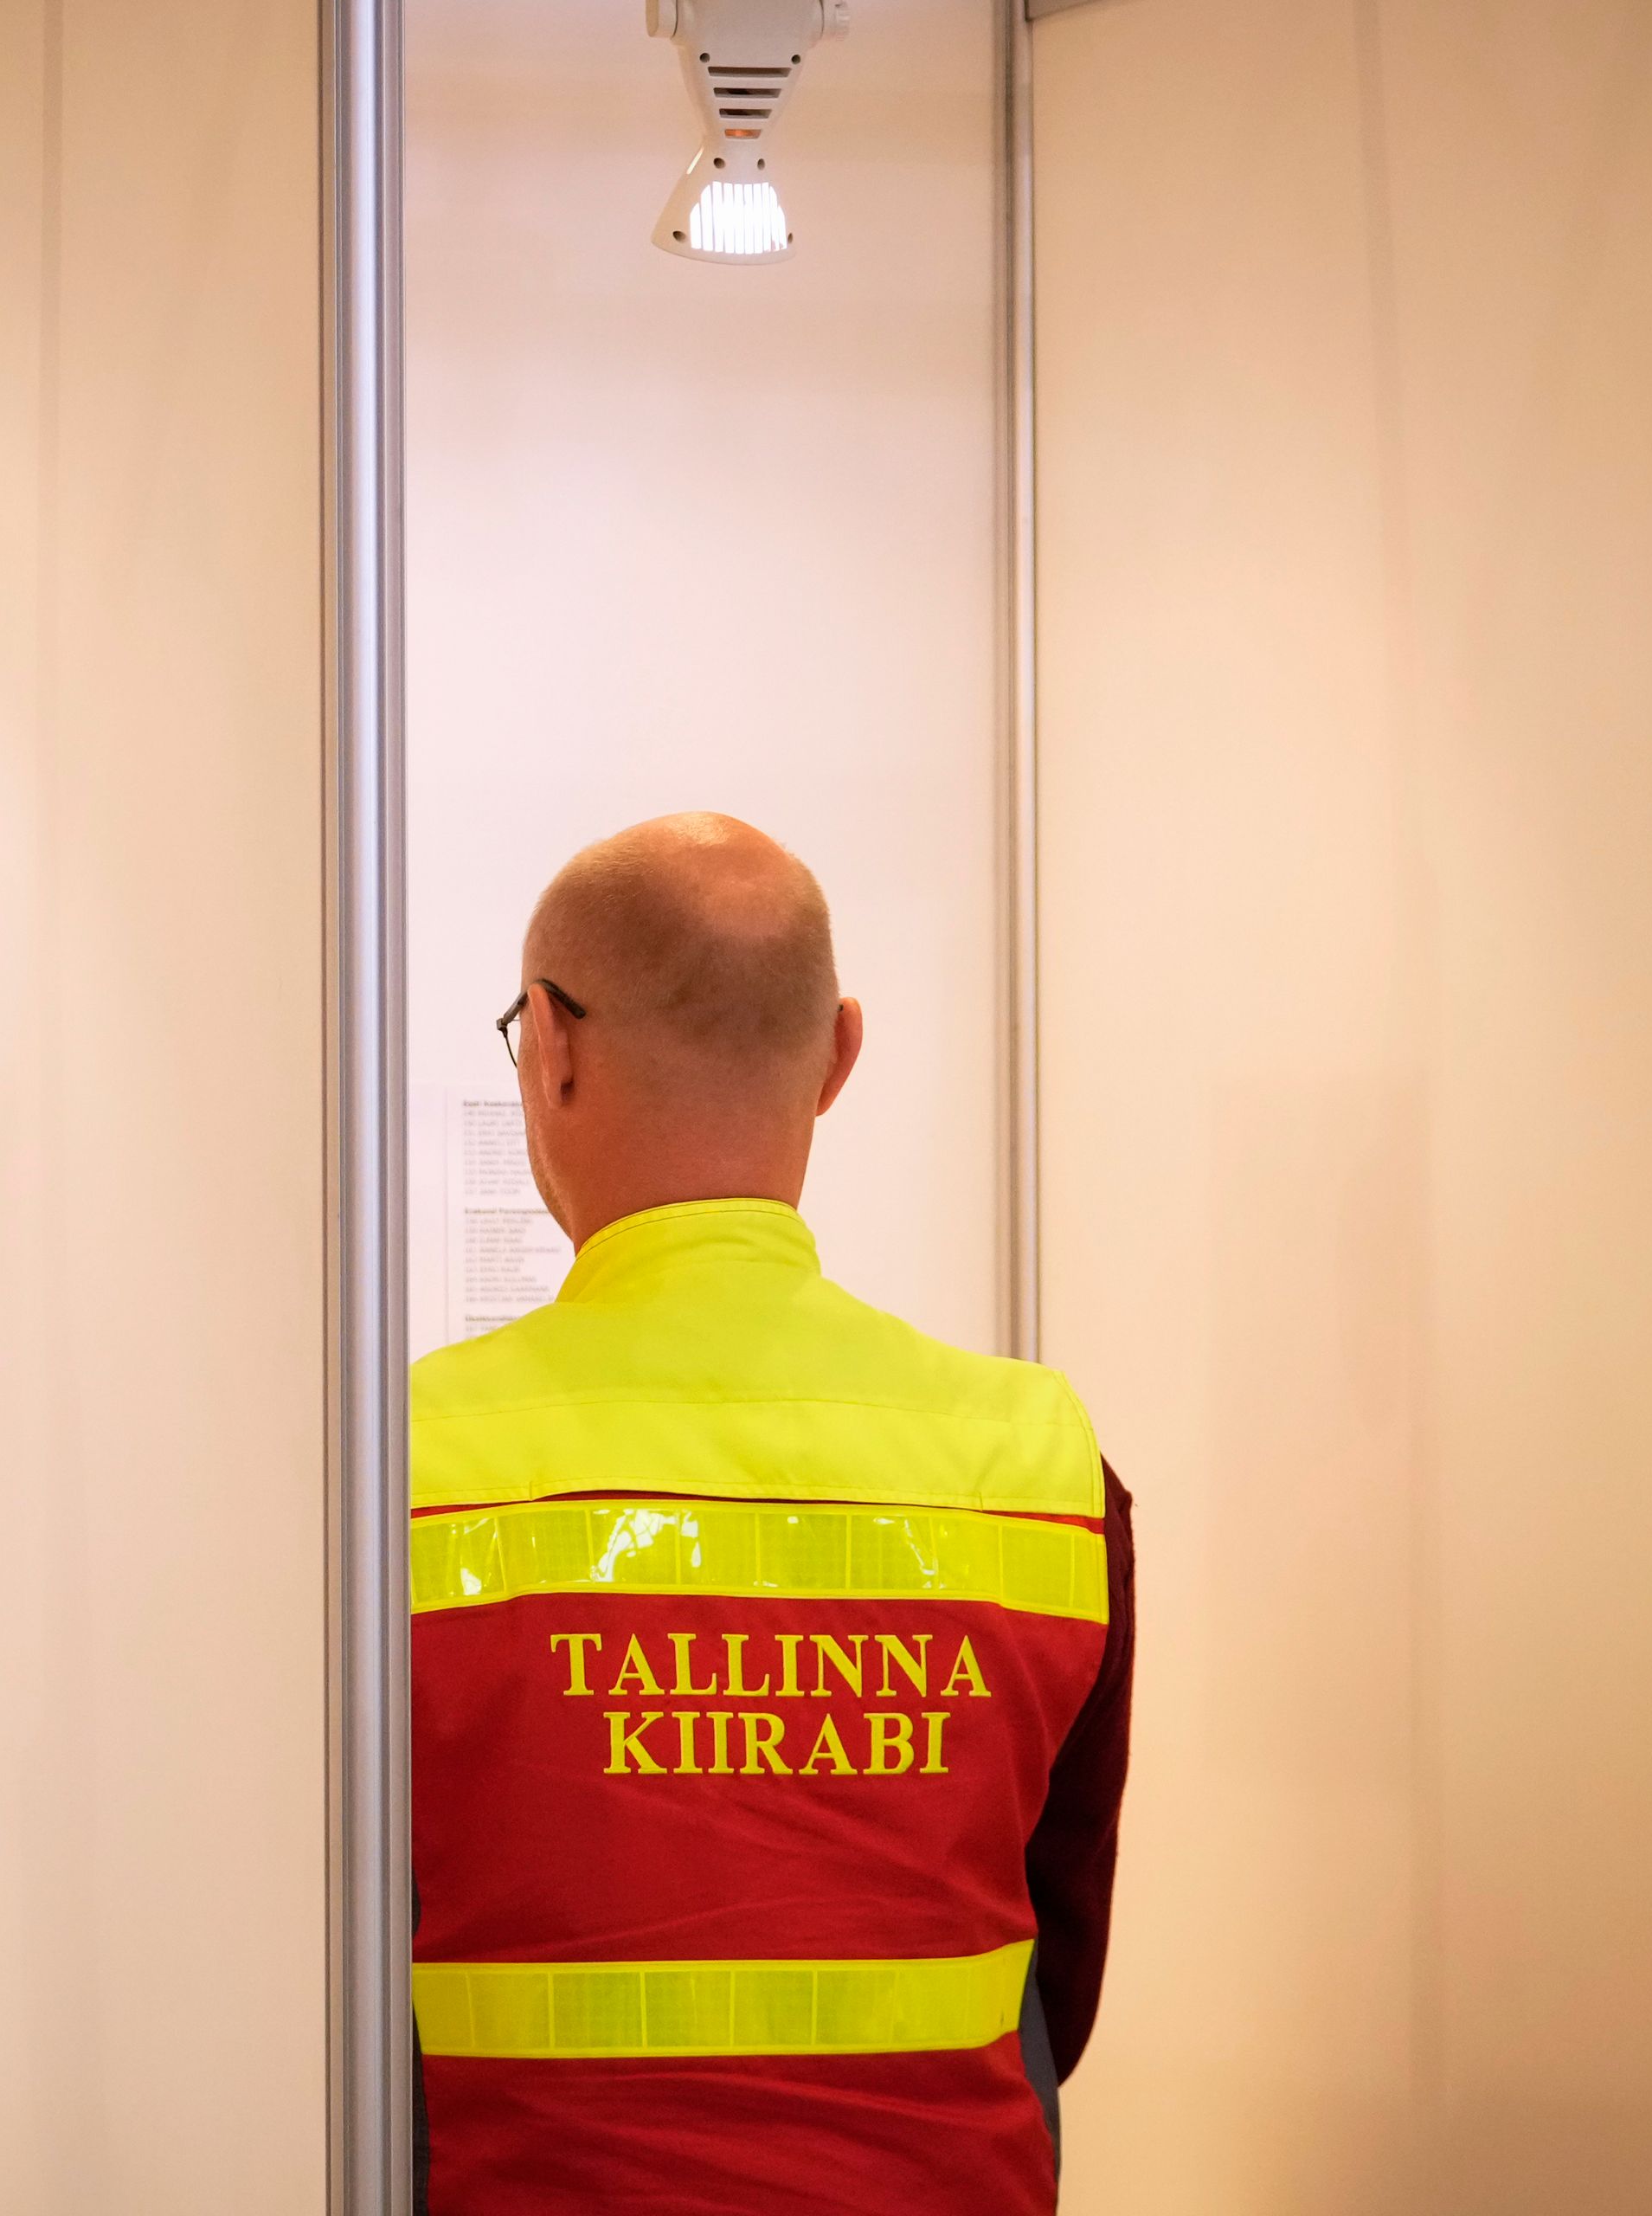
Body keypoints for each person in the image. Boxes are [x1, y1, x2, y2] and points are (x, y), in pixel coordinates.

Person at [408, 813, 1134, 2214]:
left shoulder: (405, 1464)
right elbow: (1060, 1970)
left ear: (550, 1047)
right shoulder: (1042, 1460)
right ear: (839, 1057)